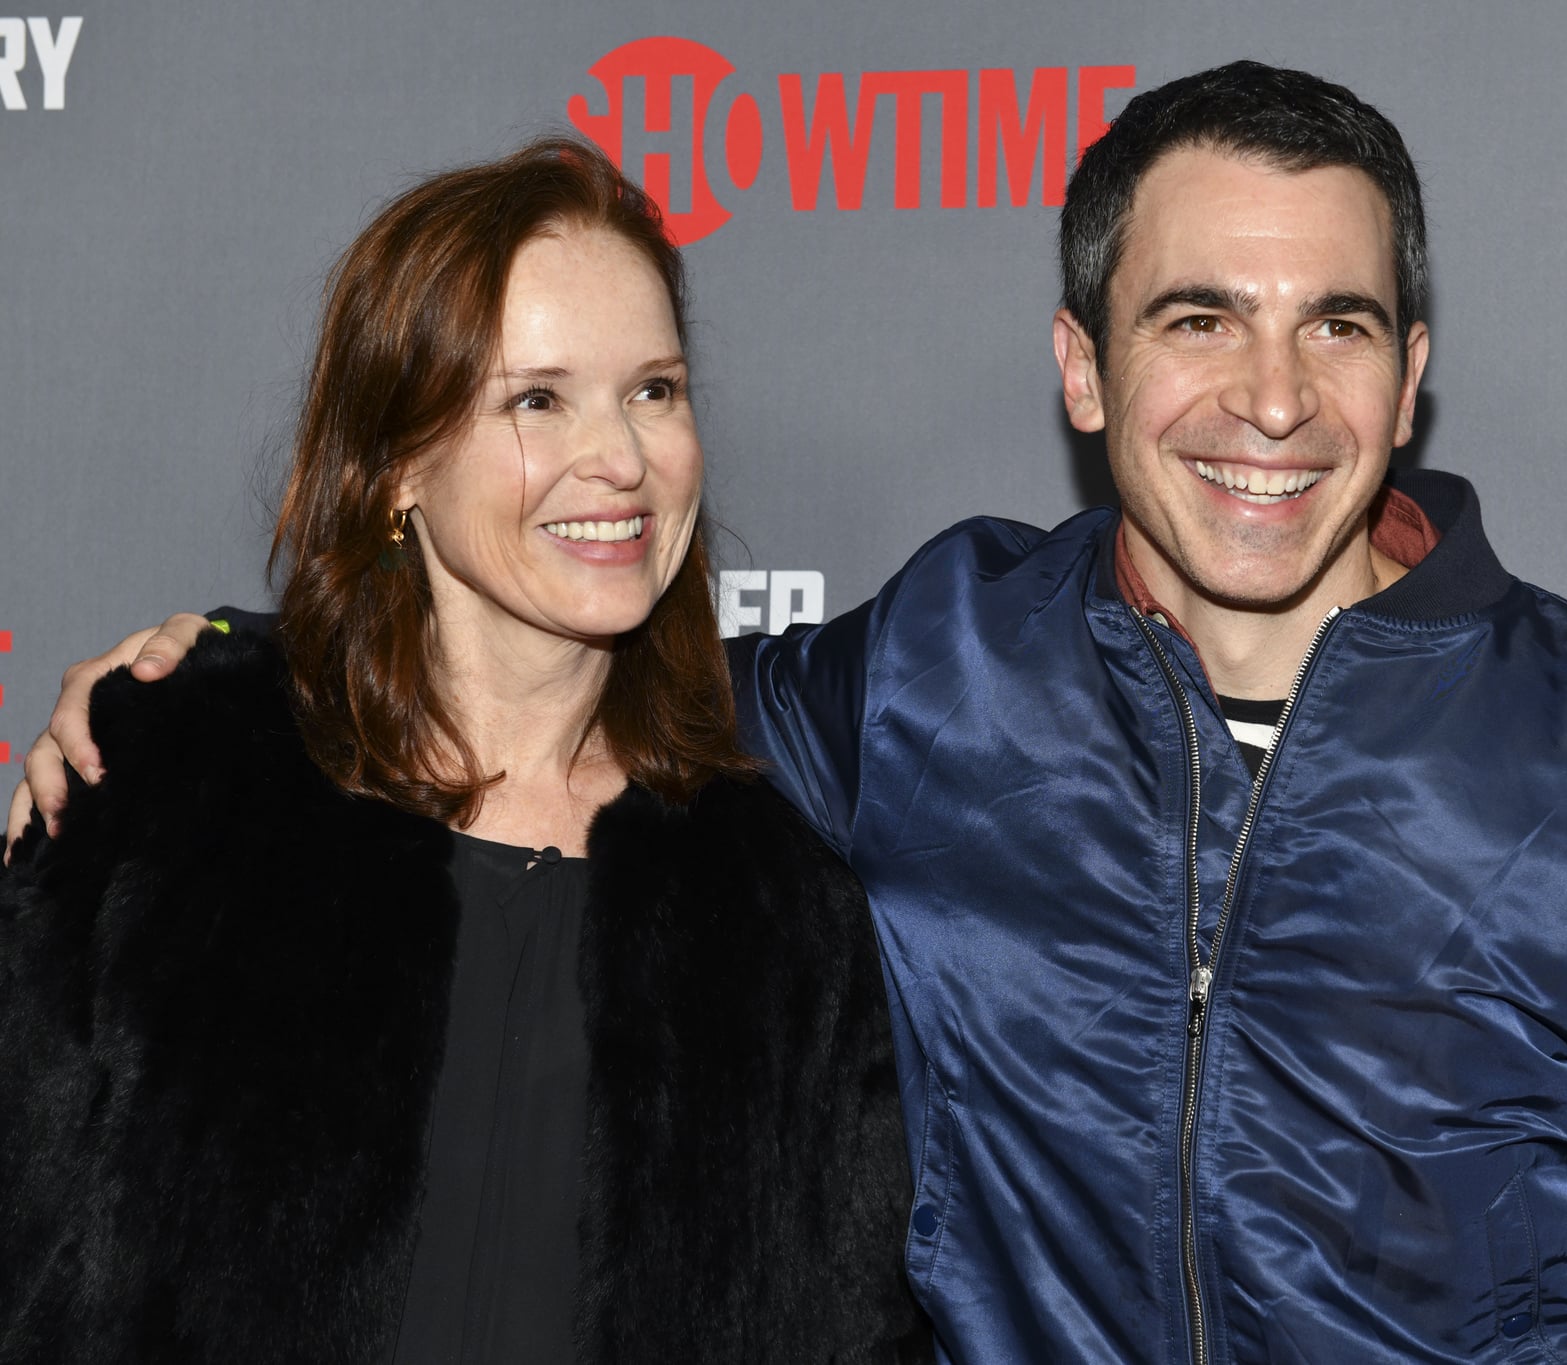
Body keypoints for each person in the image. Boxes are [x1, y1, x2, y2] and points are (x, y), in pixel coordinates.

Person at [11, 63, 1567, 1364]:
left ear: (1409, 375)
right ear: (1081, 370)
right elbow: (552, 678)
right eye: (1194, 319)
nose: (1269, 400)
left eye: (1331, 324)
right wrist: (232, 666)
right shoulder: (933, 676)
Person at [0, 140, 928, 1364]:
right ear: (395, 466)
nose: (622, 459)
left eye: (654, 389)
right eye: (537, 399)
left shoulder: (774, 903)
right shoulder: (179, 782)